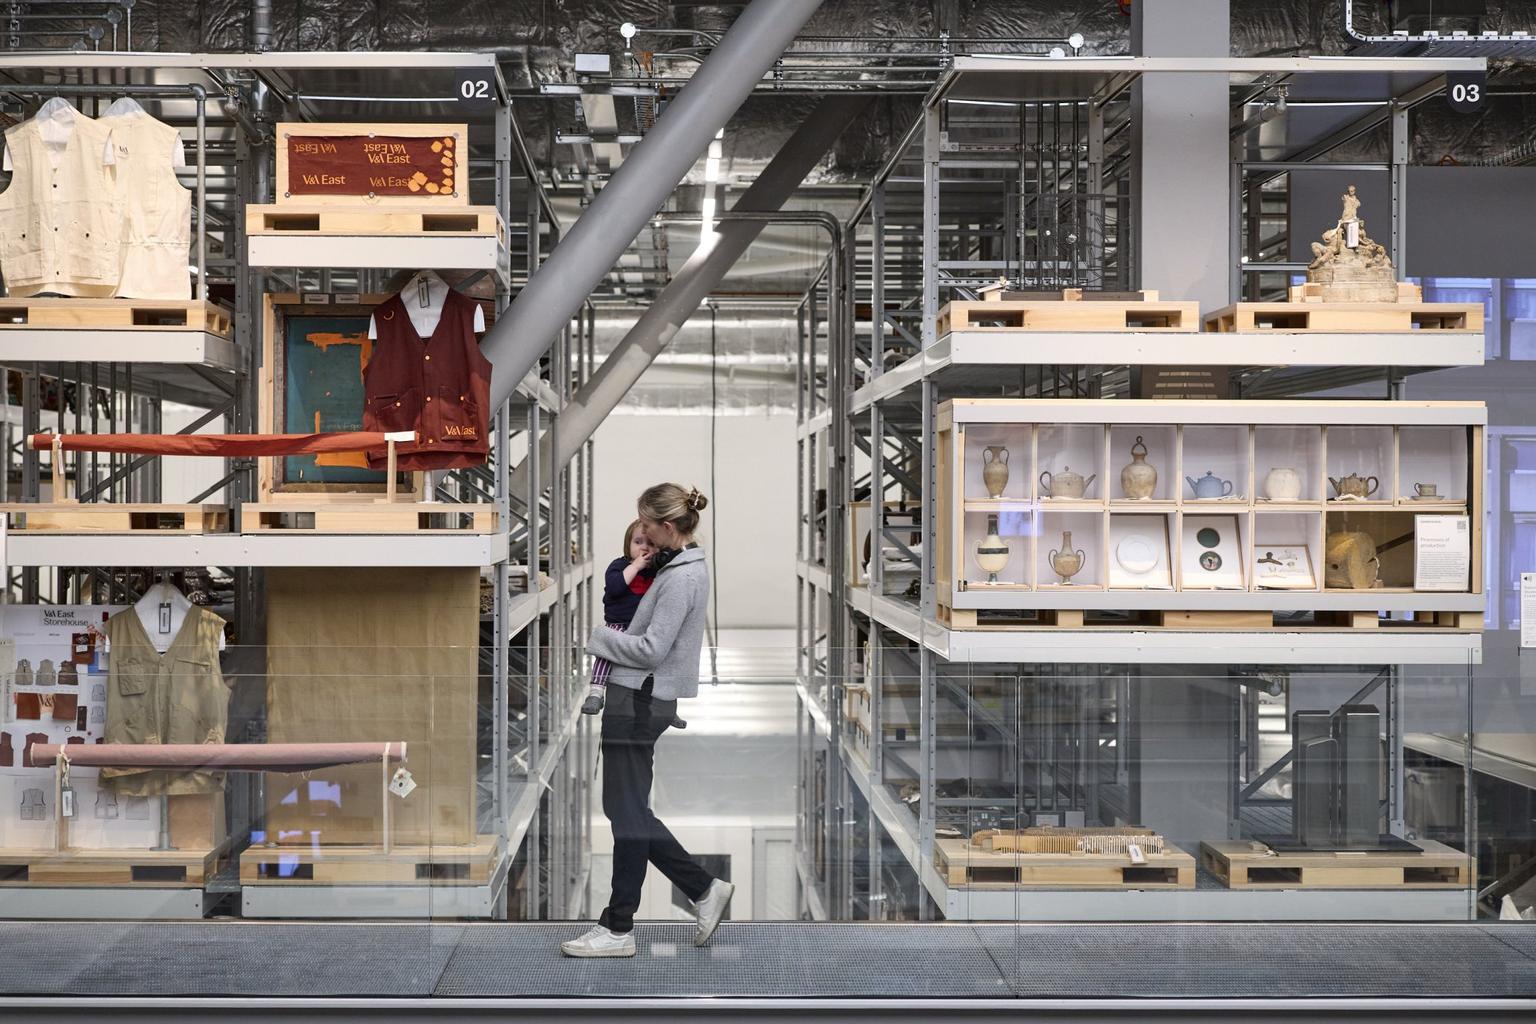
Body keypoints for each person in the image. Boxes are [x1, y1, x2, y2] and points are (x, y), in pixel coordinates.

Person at [560, 483, 734, 959]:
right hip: (637, 699)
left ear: (669, 527)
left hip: (639, 701)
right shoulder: (678, 566)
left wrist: (595, 637)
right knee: (627, 811)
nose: (644, 535)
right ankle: (699, 890)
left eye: (648, 525)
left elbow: (652, 648)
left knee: (628, 814)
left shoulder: (680, 577)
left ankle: (619, 929)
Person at [581, 519, 658, 716]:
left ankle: (664, 700)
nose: (644, 548)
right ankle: (596, 692)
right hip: (619, 624)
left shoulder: (657, 570)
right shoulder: (619, 566)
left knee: (659, 658)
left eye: (650, 543)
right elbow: (616, 587)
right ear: (628, 545)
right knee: (605, 651)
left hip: (645, 627)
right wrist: (636, 566)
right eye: (638, 542)